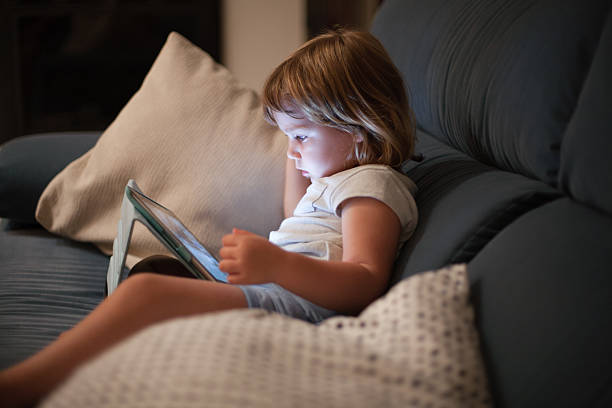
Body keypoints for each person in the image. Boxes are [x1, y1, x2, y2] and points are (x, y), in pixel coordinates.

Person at [0, 28, 418, 407]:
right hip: (274, 294)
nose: (291, 150)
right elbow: (293, 211)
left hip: (293, 312)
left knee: (146, 294)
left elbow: (365, 279)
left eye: (302, 137)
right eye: (288, 137)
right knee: (157, 273)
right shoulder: (338, 180)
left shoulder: (373, 185)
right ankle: (79, 357)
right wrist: (297, 143)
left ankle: (26, 385)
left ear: (359, 127)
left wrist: (279, 264)